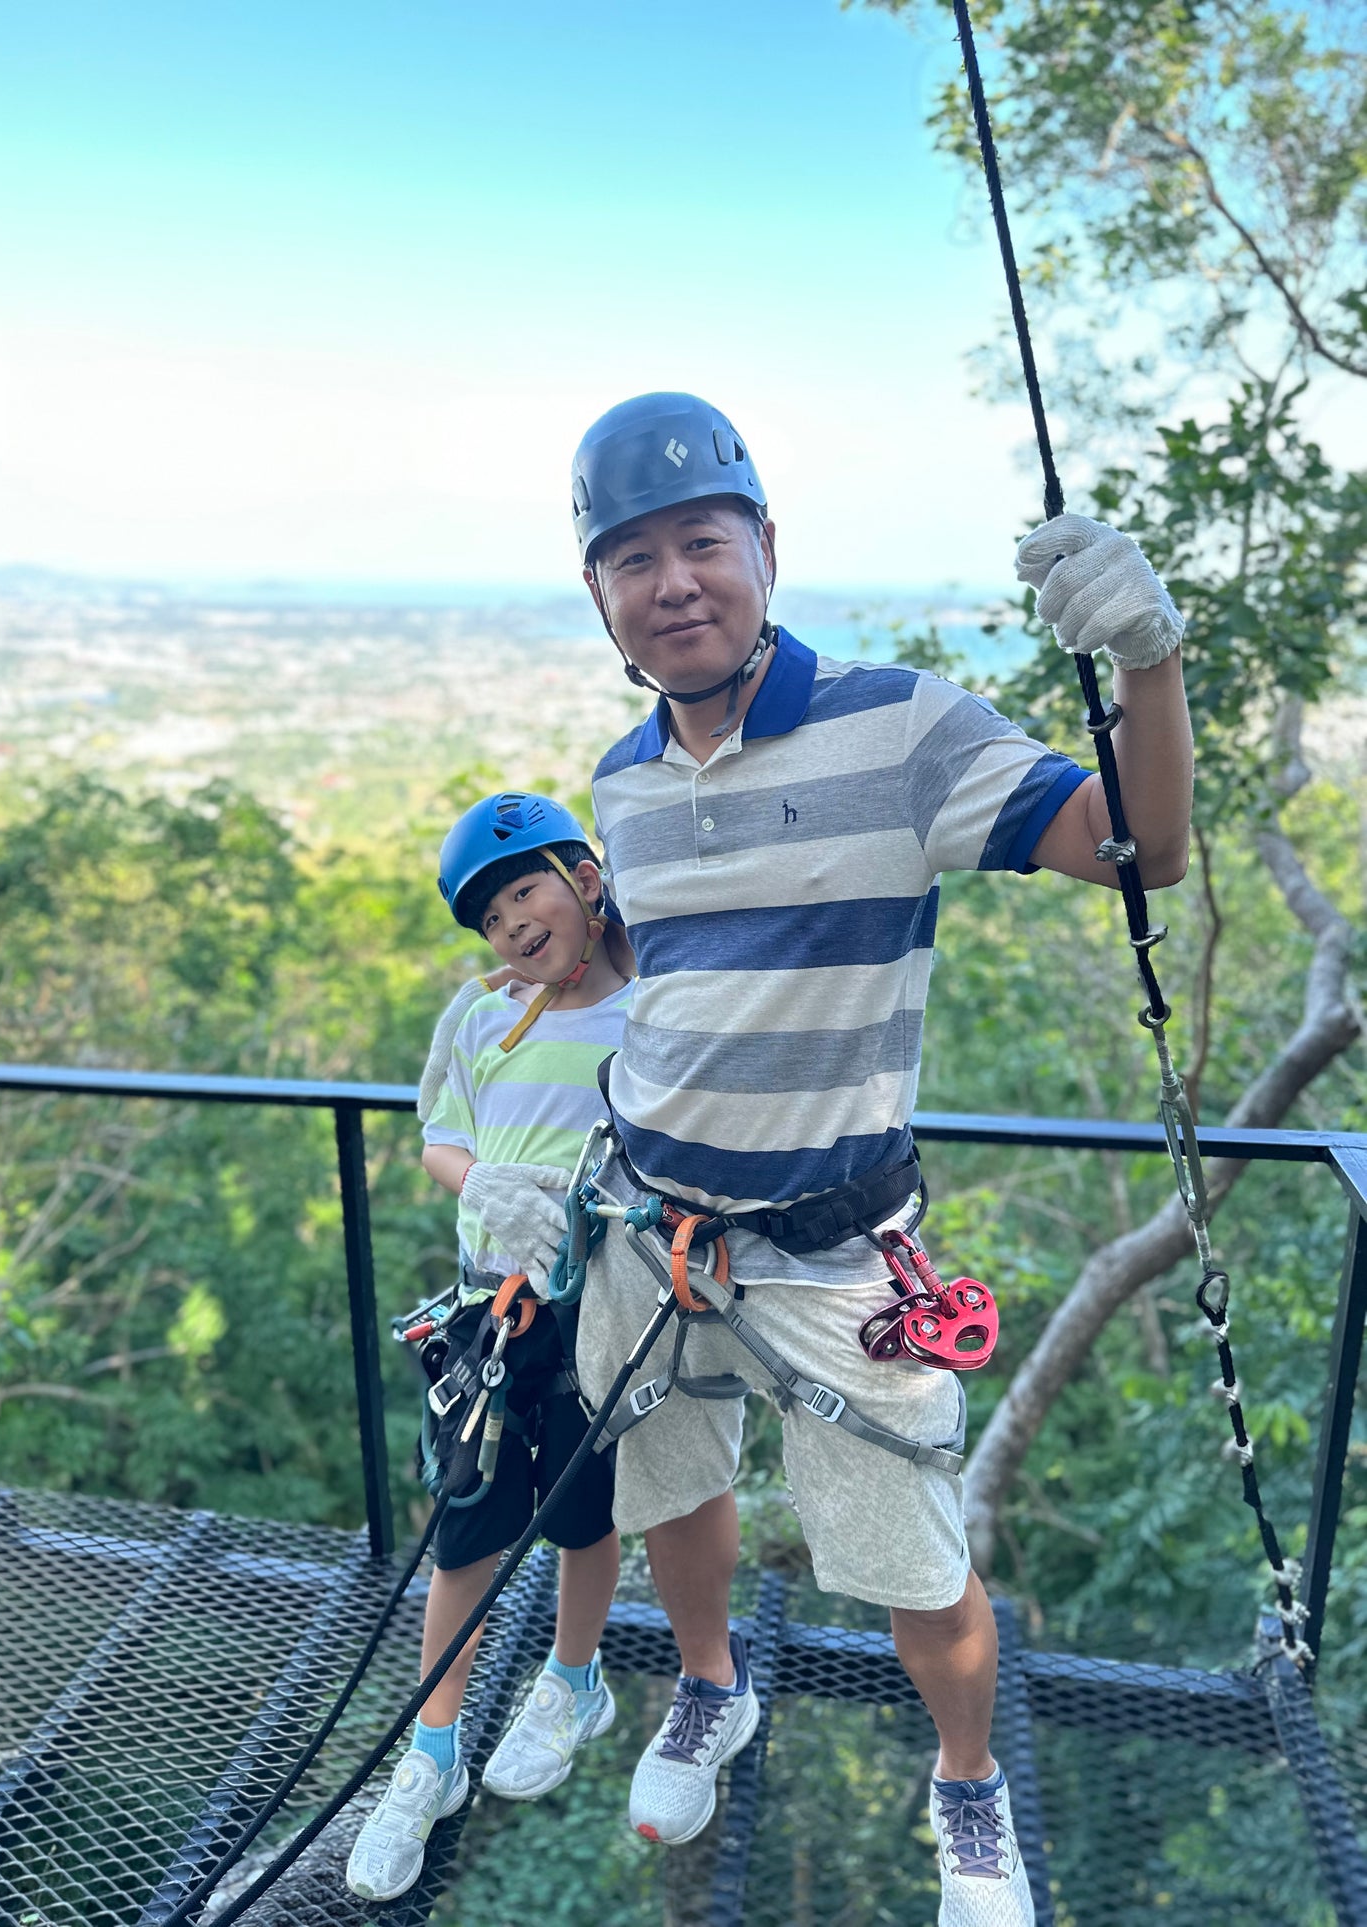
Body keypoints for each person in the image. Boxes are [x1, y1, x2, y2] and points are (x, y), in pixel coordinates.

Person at [567, 393, 1193, 1925]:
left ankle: (965, 1783)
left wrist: (1147, 662)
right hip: (647, 1226)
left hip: (840, 1245)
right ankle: (707, 1682)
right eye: (632, 556)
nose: (674, 581)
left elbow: (1139, 846)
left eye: (702, 541)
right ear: (599, 595)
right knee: (666, 1478)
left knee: (914, 1557)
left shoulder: (905, 729)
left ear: (765, 548)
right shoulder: (620, 785)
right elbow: (676, 992)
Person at [346, 792, 633, 1904]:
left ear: (585, 877)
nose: (511, 924)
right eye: (489, 915)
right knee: (463, 1521)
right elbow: (442, 1140)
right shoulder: (477, 1015)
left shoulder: (644, 1010)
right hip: (488, 1304)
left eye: (525, 890)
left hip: (597, 1305)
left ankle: (573, 1676)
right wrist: (492, 1187)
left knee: (580, 1509)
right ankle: (430, 1753)